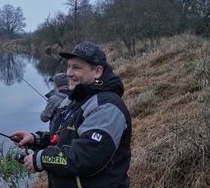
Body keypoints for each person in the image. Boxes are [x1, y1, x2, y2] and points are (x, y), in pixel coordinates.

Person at [11, 41, 132, 188]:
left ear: (97, 72)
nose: (69, 73)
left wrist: (42, 159)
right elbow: (64, 138)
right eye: (68, 66)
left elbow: (87, 155)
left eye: (76, 67)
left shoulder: (107, 106)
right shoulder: (76, 98)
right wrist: (37, 139)